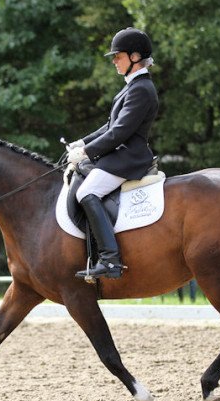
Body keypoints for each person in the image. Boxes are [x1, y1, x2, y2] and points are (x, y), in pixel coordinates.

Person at [67, 27, 159, 280]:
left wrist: (86, 152)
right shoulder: (132, 87)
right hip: (119, 155)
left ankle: (110, 260)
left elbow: (120, 132)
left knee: (87, 192)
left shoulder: (141, 89)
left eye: (118, 56)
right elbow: (109, 127)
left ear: (135, 57)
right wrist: (81, 143)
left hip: (128, 158)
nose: (114, 62)